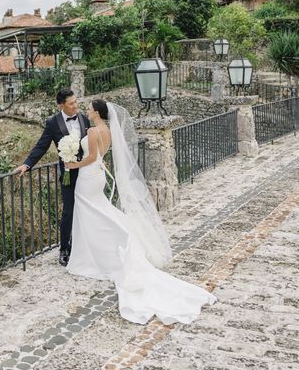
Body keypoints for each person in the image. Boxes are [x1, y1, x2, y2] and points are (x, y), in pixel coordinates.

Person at [63, 99, 216, 324]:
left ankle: (95, 253)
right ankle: (108, 244)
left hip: (88, 176)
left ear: (96, 112)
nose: (86, 110)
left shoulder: (95, 130)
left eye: (89, 108)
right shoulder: (107, 130)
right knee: (98, 211)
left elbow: (92, 157)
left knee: (90, 213)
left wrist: (71, 164)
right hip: (98, 175)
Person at [14, 88, 90, 266]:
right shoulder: (52, 123)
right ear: (61, 105)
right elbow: (41, 146)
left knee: (86, 209)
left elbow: (91, 143)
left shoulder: (83, 118)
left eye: (75, 102)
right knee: (68, 211)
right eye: (71, 103)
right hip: (68, 174)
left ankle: (84, 245)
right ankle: (64, 248)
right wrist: (27, 164)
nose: (75, 106)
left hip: (86, 171)